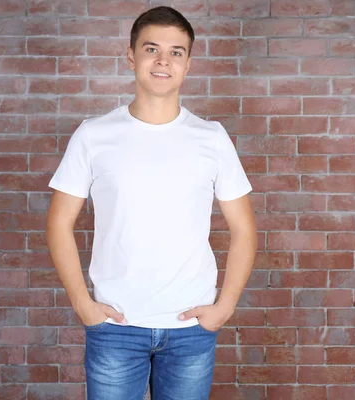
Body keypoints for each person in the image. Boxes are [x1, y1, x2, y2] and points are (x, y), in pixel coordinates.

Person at [45, 6, 257, 400]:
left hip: (191, 329)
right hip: (115, 327)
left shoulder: (211, 138)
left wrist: (225, 306)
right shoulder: (94, 135)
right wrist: (82, 303)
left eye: (176, 52)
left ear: (188, 63)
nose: (163, 61)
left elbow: (244, 228)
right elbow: (59, 223)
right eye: (151, 49)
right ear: (131, 56)